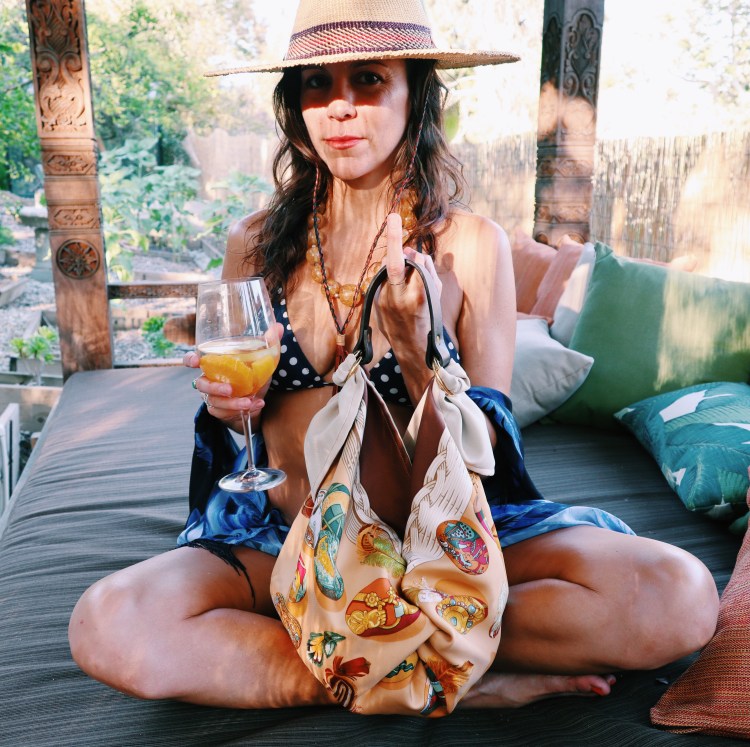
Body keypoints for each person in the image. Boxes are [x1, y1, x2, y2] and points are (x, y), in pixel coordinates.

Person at [69, 0, 719, 711]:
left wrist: (416, 355)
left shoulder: (471, 246)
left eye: (370, 78)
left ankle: (359, 653)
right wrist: (229, 413)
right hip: (287, 544)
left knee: (676, 596)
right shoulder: (253, 245)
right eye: (317, 83)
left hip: (441, 548)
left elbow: (483, 458)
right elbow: (240, 431)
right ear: (294, 106)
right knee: (109, 621)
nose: (339, 105)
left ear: (417, 93)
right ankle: (446, 674)